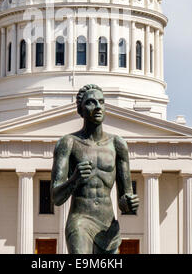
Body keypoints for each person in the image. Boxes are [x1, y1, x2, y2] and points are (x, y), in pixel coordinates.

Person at [51, 84, 139, 254]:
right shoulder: (68, 143)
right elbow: (56, 197)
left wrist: (130, 203)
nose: (98, 107)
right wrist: (74, 179)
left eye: (101, 102)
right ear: (80, 109)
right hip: (80, 221)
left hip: (108, 226)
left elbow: (125, 198)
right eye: (91, 102)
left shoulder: (118, 144)